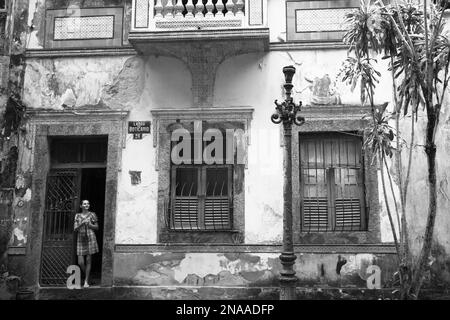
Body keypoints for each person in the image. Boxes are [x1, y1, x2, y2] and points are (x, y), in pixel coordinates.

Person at [74, 200, 99, 288]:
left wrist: (90, 225)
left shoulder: (92, 214)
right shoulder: (77, 216)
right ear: (81, 206)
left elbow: (97, 227)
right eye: (84, 204)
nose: (87, 205)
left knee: (88, 261)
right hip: (80, 239)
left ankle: (86, 281)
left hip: (90, 238)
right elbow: (75, 229)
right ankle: (88, 276)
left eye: (88, 203)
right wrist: (81, 224)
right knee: (80, 262)